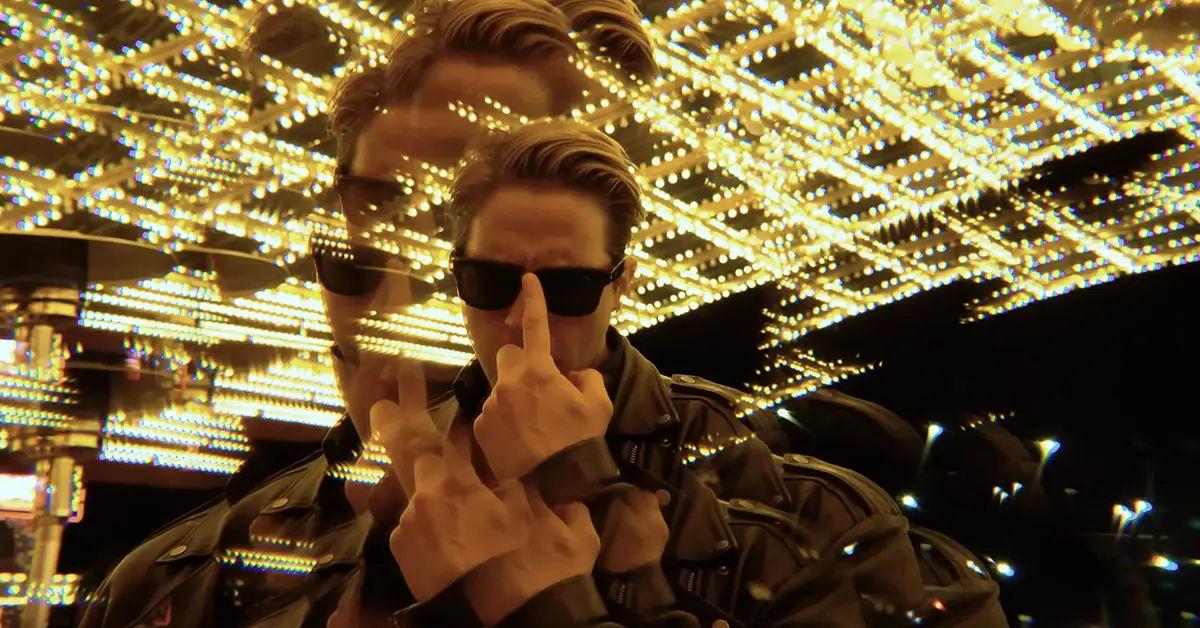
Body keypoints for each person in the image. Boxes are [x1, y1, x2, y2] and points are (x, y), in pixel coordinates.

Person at [78, 1, 1006, 626]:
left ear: (607, 266)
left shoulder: (812, 539)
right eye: (362, 250)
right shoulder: (184, 582)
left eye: (492, 262)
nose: (401, 305)